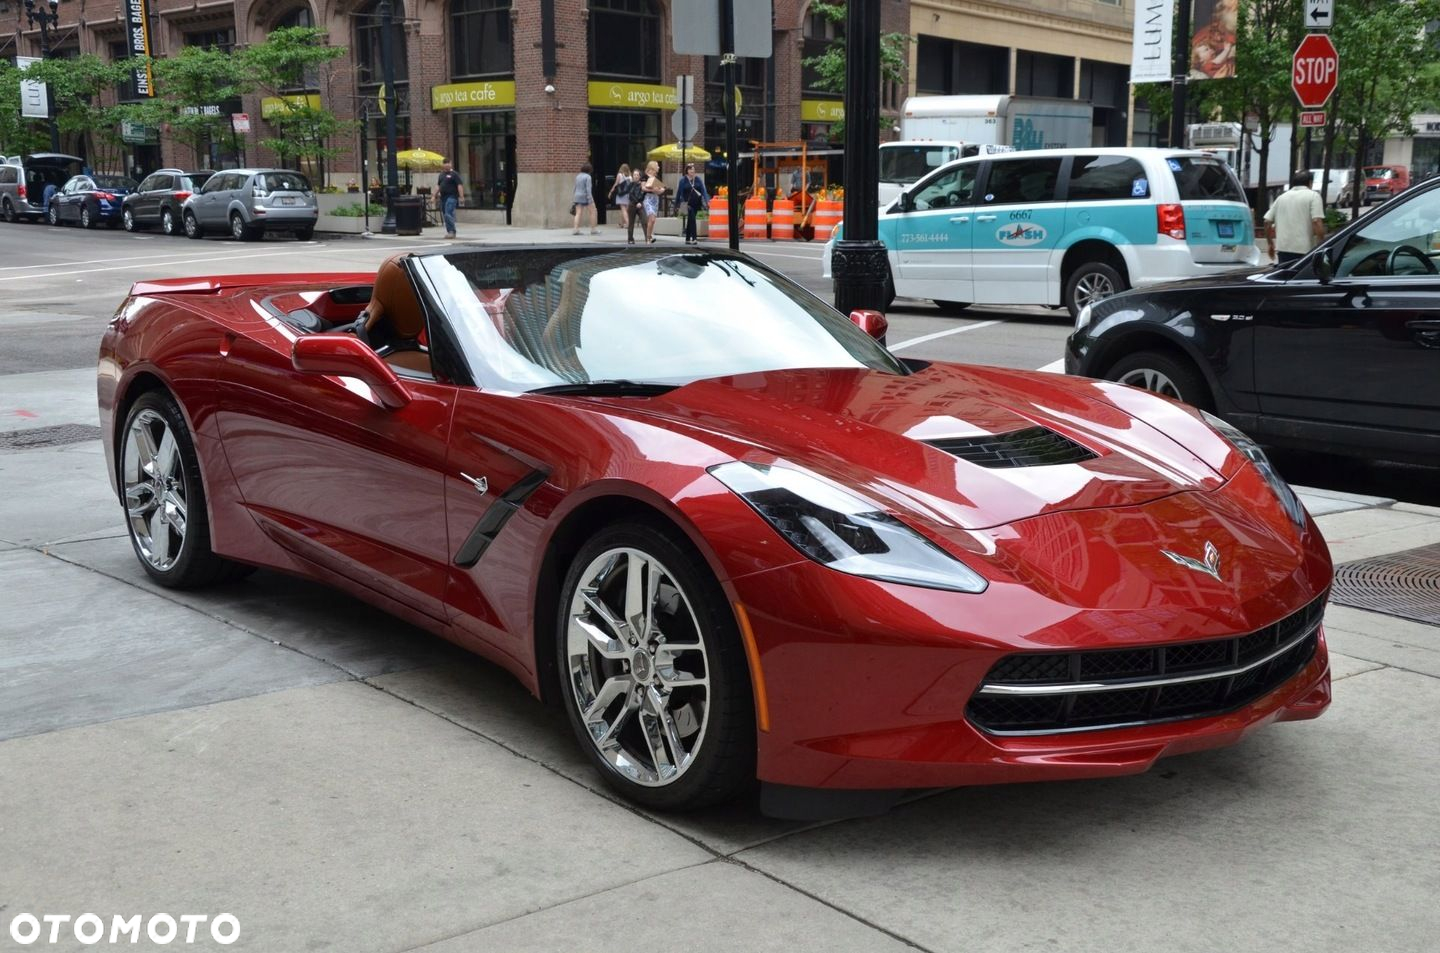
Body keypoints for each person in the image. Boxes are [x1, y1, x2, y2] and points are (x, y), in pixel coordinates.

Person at [1264, 170, 1326, 265]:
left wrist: (1270, 243)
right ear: (1310, 183)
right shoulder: (1313, 196)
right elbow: (1317, 221)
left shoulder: (1281, 198)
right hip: (1305, 251)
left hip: (1283, 250)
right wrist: (1321, 244)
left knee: (1285, 277)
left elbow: (1267, 222)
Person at [674, 163, 709, 246]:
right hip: (685, 204)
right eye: (690, 169)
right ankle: (694, 238)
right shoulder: (683, 180)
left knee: (691, 220)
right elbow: (679, 193)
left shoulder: (698, 179)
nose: (692, 171)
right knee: (692, 218)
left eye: (693, 169)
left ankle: (687, 238)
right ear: (687, 171)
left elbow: (703, 190)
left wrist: (707, 201)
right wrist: (676, 205)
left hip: (696, 203)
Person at [436, 161, 464, 239]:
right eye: (445, 163)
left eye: (448, 163)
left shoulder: (454, 174)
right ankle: (450, 232)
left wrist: (461, 196)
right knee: (446, 215)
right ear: (443, 165)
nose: (447, 165)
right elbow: (438, 186)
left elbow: (459, 185)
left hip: (452, 196)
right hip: (443, 197)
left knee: (448, 213)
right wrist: (433, 196)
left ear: (451, 164)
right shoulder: (441, 175)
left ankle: (452, 231)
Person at [640, 160, 664, 244]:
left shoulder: (657, 177)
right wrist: (653, 189)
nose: (659, 167)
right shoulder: (645, 176)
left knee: (653, 220)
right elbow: (643, 188)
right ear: (653, 166)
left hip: (655, 199)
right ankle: (648, 238)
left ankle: (649, 236)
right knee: (651, 217)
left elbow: (662, 189)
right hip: (648, 198)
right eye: (657, 165)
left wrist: (659, 190)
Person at [572, 162, 598, 235]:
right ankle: (593, 229)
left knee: (578, 213)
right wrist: (590, 199)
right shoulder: (588, 177)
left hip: (577, 196)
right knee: (593, 211)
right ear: (589, 169)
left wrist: (574, 196)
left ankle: (575, 229)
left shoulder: (578, 176)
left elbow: (575, 187)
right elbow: (588, 189)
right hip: (585, 196)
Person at [608, 162, 632, 231]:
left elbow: (616, 184)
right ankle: (622, 223)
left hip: (621, 194)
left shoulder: (620, 175)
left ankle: (627, 223)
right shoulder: (630, 176)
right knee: (625, 210)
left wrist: (611, 191)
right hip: (628, 194)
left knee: (623, 209)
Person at [625, 169, 645, 245]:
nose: (636, 176)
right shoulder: (631, 184)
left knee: (644, 220)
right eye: (634, 175)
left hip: (640, 204)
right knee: (631, 223)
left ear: (640, 176)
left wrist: (640, 202)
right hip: (632, 204)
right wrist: (637, 202)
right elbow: (630, 194)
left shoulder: (642, 184)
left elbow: (643, 194)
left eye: (637, 175)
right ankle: (630, 239)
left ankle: (647, 238)